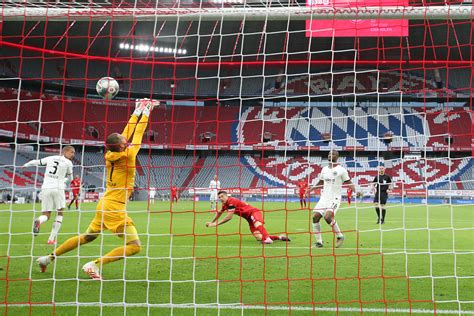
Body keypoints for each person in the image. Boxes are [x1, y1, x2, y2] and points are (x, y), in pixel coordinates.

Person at [36, 98, 158, 280]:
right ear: (123, 145)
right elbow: (138, 133)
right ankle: (94, 264)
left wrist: (137, 110)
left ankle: (47, 258)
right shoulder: (128, 155)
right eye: (125, 140)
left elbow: (128, 131)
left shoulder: (112, 152)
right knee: (135, 246)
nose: (127, 138)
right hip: (113, 207)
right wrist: (147, 110)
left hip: (105, 203)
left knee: (87, 237)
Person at [23, 146, 75, 245]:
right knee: (60, 213)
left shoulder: (51, 158)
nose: (73, 154)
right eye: (71, 152)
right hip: (58, 189)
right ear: (65, 151)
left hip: (46, 188)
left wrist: (27, 164)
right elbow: (71, 178)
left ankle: (39, 220)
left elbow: (37, 161)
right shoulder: (68, 163)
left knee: (46, 214)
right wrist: (64, 181)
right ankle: (51, 239)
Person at [310, 150, 356, 249]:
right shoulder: (324, 169)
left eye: (333, 154)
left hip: (334, 198)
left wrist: (356, 191)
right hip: (323, 198)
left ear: (337, 157)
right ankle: (319, 242)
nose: (330, 155)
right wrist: (311, 189)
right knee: (315, 217)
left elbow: (348, 182)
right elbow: (321, 182)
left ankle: (340, 236)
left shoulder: (341, 170)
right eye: (329, 154)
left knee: (327, 217)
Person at [206, 191, 290, 244]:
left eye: (222, 196)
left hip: (253, 212)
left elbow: (229, 217)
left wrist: (216, 224)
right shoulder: (225, 205)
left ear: (226, 196)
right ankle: (280, 237)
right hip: (248, 219)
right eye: (219, 197)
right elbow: (219, 213)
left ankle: (268, 239)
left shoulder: (232, 201)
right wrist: (211, 222)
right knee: (259, 237)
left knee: (257, 224)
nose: (221, 198)